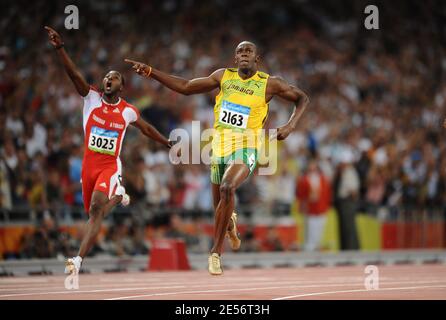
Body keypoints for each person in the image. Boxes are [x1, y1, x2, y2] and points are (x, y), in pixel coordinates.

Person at [125, 41, 309, 275]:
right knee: (220, 207)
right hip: (219, 148)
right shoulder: (223, 77)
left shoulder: (269, 84)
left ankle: (215, 253)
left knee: (227, 187)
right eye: (239, 52)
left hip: (248, 147)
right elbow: (185, 86)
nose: (243, 54)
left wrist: (291, 125)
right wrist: (151, 72)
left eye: (248, 51)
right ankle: (229, 222)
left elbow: (302, 98)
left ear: (257, 59)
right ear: (235, 59)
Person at [45, 27, 173, 274]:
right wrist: (60, 48)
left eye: (113, 78)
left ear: (121, 86)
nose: (108, 79)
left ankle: (77, 260)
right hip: (88, 166)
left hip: (109, 166)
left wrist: (165, 142)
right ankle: (119, 195)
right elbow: (73, 74)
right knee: (95, 213)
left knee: (95, 210)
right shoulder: (90, 98)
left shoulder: (127, 110)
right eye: (106, 77)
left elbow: (146, 128)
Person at [296, 159, 331, 251]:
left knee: (319, 232)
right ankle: (309, 252)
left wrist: (326, 207)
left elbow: (327, 194)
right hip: (310, 209)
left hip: (321, 208)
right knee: (310, 232)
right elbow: (301, 194)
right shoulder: (304, 179)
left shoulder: (323, 178)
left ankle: (317, 251)